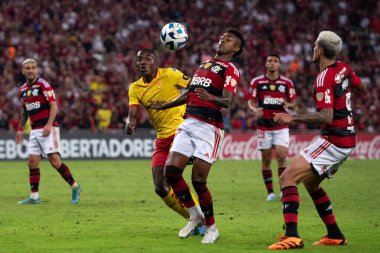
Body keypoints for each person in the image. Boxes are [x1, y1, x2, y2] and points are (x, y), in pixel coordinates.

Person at [268, 31, 366, 250]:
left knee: (287, 178)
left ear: (320, 50)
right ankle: (335, 234)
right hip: (347, 138)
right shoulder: (344, 68)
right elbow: (362, 87)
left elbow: (326, 116)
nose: (312, 49)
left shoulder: (324, 78)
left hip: (335, 140)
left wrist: (292, 117)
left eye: (314, 46)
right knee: (311, 184)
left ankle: (292, 236)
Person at [151, 28, 245, 244]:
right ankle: (195, 216)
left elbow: (228, 101)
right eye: (222, 37)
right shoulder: (204, 65)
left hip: (209, 127)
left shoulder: (231, 69)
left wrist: (210, 97)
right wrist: (165, 105)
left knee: (198, 180)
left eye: (229, 39)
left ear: (236, 48)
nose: (223, 40)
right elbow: (189, 93)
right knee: (171, 172)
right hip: (188, 122)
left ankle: (212, 227)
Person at [126, 49, 204, 234]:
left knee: (173, 175)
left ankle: (201, 217)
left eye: (147, 59)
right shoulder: (135, 87)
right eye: (139, 60)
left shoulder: (170, 74)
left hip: (181, 132)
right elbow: (133, 112)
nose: (142, 63)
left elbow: (194, 87)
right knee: (159, 186)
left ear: (155, 62)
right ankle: (193, 218)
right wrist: (131, 123)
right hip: (162, 139)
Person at [16, 58, 82, 205]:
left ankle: (75, 187)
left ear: (37, 69)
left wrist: (49, 124)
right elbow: (24, 112)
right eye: (28, 68)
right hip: (34, 130)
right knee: (32, 162)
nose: (31, 70)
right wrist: (20, 129)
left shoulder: (43, 85)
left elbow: (54, 106)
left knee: (54, 161)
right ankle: (34, 196)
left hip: (48, 128)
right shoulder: (22, 91)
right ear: (23, 71)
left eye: (33, 67)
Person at [247, 54, 297, 201]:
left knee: (282, 157)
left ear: (280, 65)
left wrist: (288, 105)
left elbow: (293, 101)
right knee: (266, 160)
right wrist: (254, 109)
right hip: (264, 127)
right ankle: (270, 193)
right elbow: (250, 101)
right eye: (270, 61)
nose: (272, 63)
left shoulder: (287, 83)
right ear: (266, 64)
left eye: (275, 61)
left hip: (281, 126)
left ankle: (283, 190)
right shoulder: (257, 82)